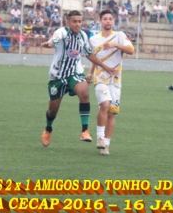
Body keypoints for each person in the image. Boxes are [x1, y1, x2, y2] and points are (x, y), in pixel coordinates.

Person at [40, 10, 116, 147]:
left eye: (80, 21)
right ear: (67, 22)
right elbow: (54, 39)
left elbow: (89, 54)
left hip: (75, 73)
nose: (78, 24)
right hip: (57, 76)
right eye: (74, 21)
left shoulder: (82, 36)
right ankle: (48, 128)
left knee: (84, 92)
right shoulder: (62, 32)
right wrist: (49, 44)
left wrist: (106, 67)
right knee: (52, 110)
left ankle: (85, 130)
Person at [86, 9, 134, 155]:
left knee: (111, 114)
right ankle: (100, 138)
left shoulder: (119, 36)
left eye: (110, 19)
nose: (108, 21)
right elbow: (94, 58)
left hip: (116, 80)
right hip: (100, 78)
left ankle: (106, 144)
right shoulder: (94, 40)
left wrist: (115, 45)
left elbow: (131, 50)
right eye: (105, 19)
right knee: (104, 104)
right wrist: (90, 72)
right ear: (100, 21)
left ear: (113, 21)